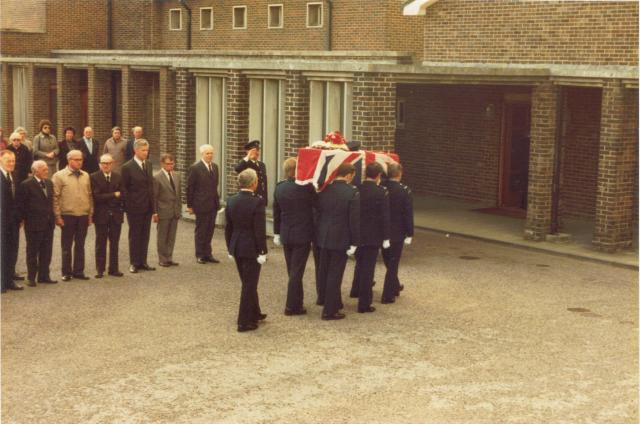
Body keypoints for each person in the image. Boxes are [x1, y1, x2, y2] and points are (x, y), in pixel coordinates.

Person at [315, 163, 360, 320]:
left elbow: (318, 212)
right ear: (348, 175)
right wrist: (355, 242)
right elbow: (354, 220)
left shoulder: (325, 189)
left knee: (324, 271)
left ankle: (327, 300)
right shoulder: (352, 192)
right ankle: (330, 310)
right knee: (335, 273)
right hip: (340, 236)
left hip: (323, 235)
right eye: (352, 176)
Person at [225, 169, 268, 332]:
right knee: (249, 285)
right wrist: (263, 251)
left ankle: (255, 312)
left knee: (247, 282)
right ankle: (243, 321)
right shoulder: (257, 202)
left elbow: (228, 227)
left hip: (236, 245)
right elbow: (259, 229)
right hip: (251, 248)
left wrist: (229, 247)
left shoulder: (231, 200)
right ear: (254, 183)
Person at [273, 157, 315, 316]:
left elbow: (277, 212)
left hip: (286, 233)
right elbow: (316, 205)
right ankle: (291, 306)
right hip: (302, 234)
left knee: (292, 270)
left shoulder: (279, 188)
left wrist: (276, 232)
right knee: (296, 272)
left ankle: (298, 302)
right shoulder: (306, 188)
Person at [349, 162, 390, 313]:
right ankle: (364, 303)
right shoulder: (381, 192)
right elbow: (385, 216)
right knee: (368, 269)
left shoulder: (357, 189)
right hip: (373, 235)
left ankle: (355, 290)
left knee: (359, 264)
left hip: (358, 233)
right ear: (378, 176)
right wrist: (386, 237)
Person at [52, 150, 93, 281]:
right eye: (76, 160)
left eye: (80, 159)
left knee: (80, 244)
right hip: (67, 215)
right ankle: (66, 272)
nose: (79, 162)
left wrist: (90, 213)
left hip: (83, 215)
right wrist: (57, 216)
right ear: (69, 160)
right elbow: (55, 197)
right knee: (66, 245)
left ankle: (79, 271)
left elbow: (90, 195)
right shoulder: (59, 176)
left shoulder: (86, 175)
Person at [17, 160, 57, 286]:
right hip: (33, 224)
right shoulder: (26, 184)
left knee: (47, 251)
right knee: (32, 251)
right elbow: (21, 205)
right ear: (36, 171)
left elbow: (50, 202)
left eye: (46, 169)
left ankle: (44, 276)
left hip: (48, 223)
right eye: (44, 169)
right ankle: (31, 277)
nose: (47, 171)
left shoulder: (49, 183)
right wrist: (23, 220)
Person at [121, 139, 156, 273]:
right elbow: (124, 188)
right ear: (136, 151)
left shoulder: (149, 165)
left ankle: (143, 261)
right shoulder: (127, 167)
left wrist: (153, 208)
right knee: (135, 235)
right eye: (143, 150)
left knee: (145, 235)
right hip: (134, 207)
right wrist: (129, 204)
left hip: (147, 206)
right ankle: (134, 263)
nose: (146, 153)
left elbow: (150, 186)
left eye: (147, 150)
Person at [381, 163, 414, 303]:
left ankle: (394, 286)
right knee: (393, 263)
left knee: (388, 261)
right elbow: (407, 214)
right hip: (396, 231)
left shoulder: (381, 187)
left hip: (382, 230)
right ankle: (387, 295)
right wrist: (410, 232)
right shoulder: (404, 191)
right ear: (399, 174)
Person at [91, 154, 125, 278]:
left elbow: (122, 195)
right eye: (104, 163)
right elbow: (96, 197)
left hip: (116, 214)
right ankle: (100, 269)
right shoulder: (94, 177)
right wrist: (113, 195)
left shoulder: (118, 177)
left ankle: (114, 268)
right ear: (100, 164)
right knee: (100, 242)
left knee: (114, 243)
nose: (106, 165)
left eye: (109, 163)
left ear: (113, 164)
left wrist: (110, 196)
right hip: (101, 215)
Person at [187, 144, 220, 264]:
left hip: (213, 204)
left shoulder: (215, 167)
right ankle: (200, 254)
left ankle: (208, 253)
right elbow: (190, 187)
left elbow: (215, 186)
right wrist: (190, 205)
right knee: (201, 230)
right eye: (207, 153)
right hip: (200, 204)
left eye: (211, 153)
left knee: (210, 230)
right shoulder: (195, 168)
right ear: (202, 154)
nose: (210, 155)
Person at [0, 150, 24, 292]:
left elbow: (17, 200)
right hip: (2, 222)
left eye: (13, 161)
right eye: (8, 161)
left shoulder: (13, 175)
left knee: (12, 251)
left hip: (13, 222)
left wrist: (19, 218)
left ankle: (9, 280)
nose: (11, 163)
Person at [154, 153, 181, 267]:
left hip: (174, 211)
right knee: (162, 236)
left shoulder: (177, 175)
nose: (170, 166)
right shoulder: (157, 177)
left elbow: (178, 194)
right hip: (163, 211)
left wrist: (179, 209)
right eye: (168, 164)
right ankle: (162, 258)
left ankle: (169, 257)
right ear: (162, 164)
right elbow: (154, 196)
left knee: (171, 236)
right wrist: (155, 213)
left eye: (172, 163)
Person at [234, 140, 268, 204]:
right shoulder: (245, 163)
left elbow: (264, 183)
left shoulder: (262, 165)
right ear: (248, 152)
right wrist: (248, 156)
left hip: (260, 198)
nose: (257, 153)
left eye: (258, 150)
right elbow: (237, 169)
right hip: (249, 198)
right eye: (254, 151)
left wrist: (265, 199)